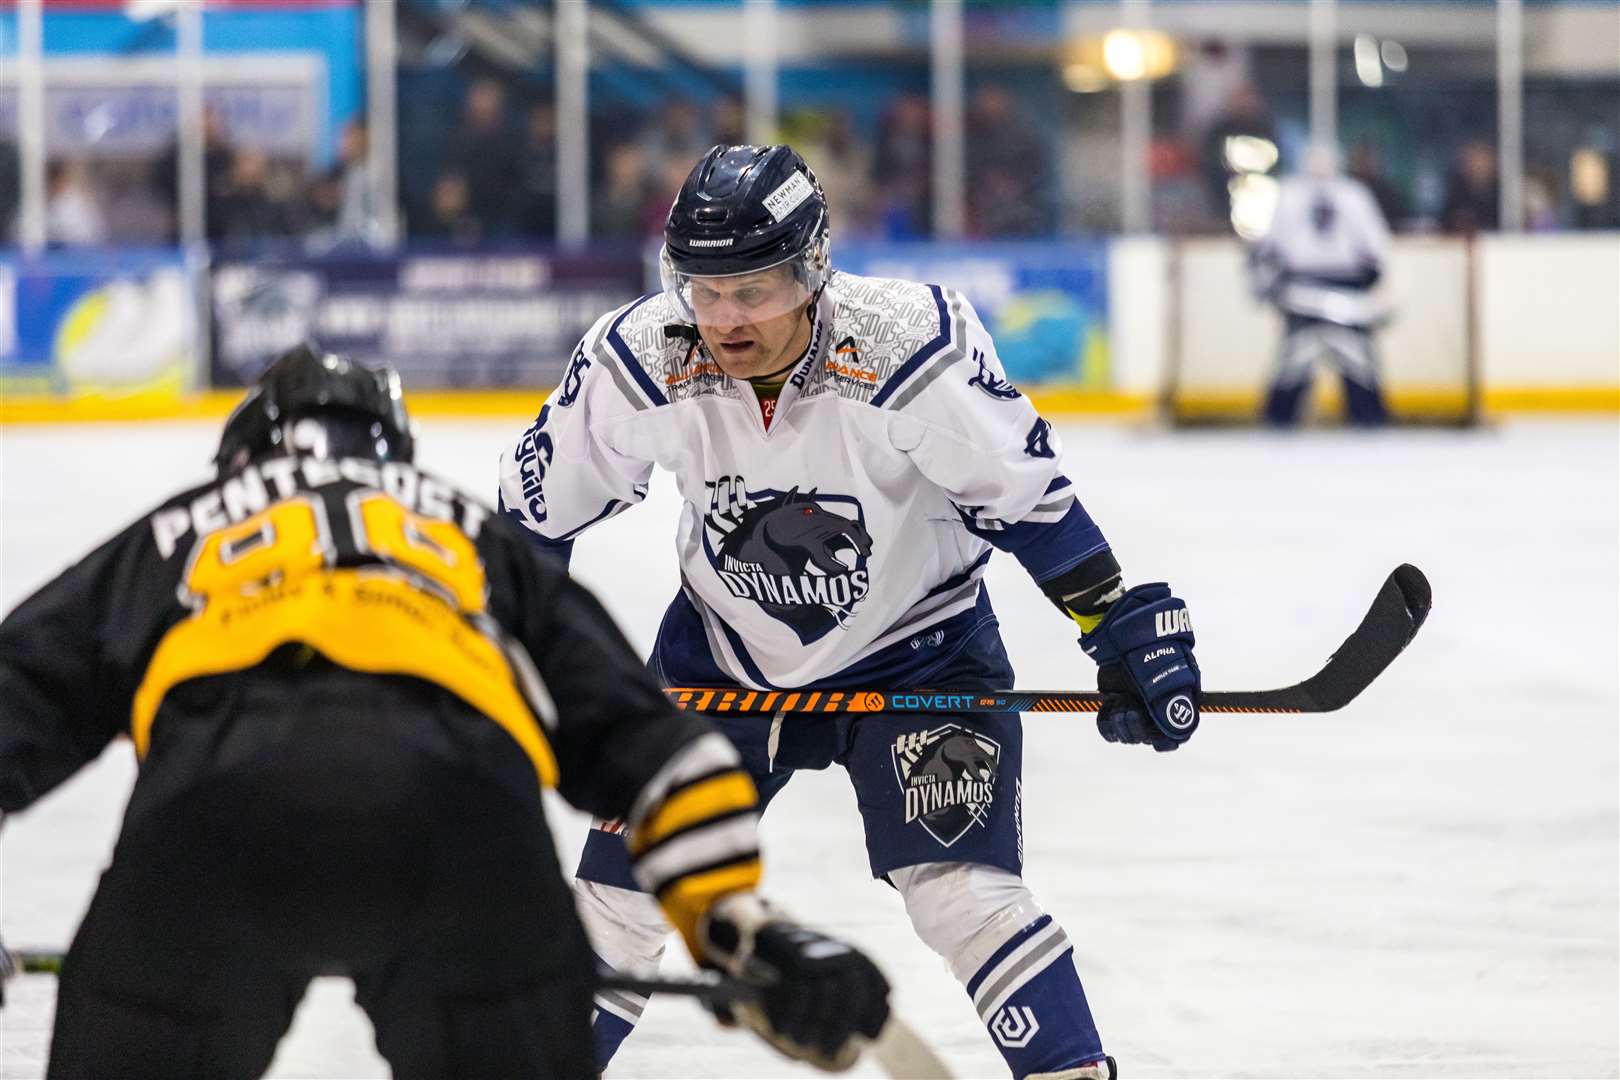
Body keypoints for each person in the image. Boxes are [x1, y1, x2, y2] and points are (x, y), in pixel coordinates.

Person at [497, 144, 1205, 1080]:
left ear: (810, 270)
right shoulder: (640, 357)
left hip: (923, 652)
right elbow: (531, 523)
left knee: (960, 889)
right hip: (723, 659)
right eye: (701, 290)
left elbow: (1027, 501)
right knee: (622, 896)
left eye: (750, 289)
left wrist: (1111, 622)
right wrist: (502, 655)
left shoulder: (911, 347)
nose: (722, 318)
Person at [0, 344, 890, 1078]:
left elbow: (19, 695)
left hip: (220, 804)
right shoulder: (468, 533)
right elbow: (657, 748)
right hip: (462, 813)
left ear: (242, 460)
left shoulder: (187, 524)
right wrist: (738, 929)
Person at [1248, 144, 1393, 426]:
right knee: (1345, 359)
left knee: (1303, 358)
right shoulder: (1353, 193)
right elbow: (1377, 249)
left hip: (1303, 290)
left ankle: (1279, 417)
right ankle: (1368, 417)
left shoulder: (1293, 193)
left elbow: (1268, 247)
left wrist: (1268, 282)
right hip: (1342, 291)